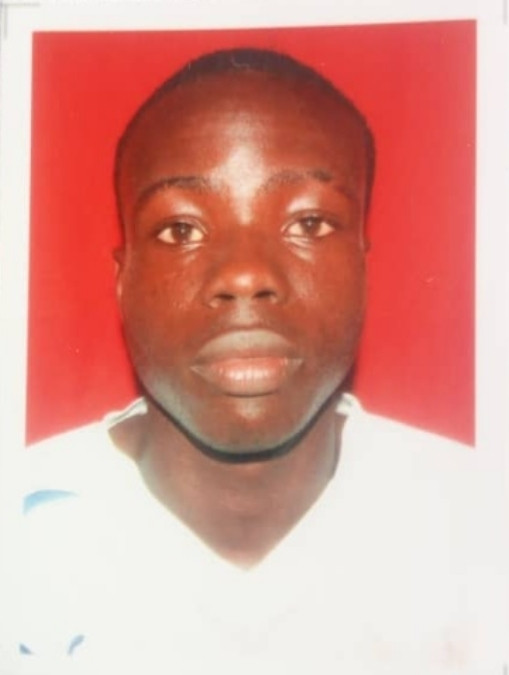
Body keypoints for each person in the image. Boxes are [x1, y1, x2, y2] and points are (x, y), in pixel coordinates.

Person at [8, 48, 502, 674]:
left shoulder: (479, 524)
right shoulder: (20, 535)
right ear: (122, 280)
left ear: (363, 264)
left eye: (309, 223)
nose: (244, 275)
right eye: (181, 230)